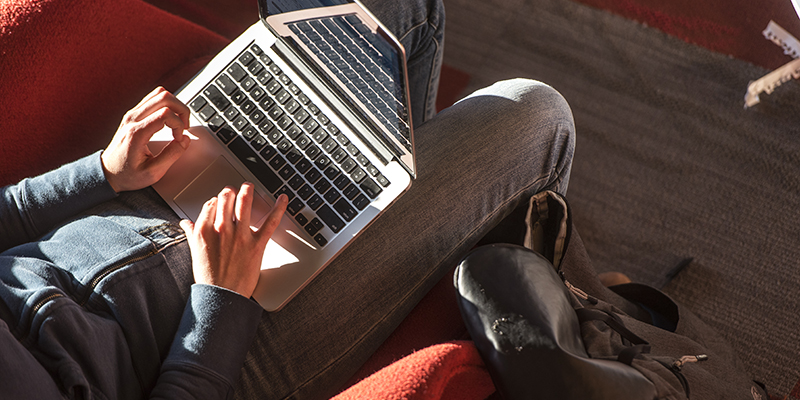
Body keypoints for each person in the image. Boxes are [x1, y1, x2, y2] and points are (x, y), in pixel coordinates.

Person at [0, 0, 576, 398]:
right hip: (229, 344)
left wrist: (103, 171)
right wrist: (220, 300)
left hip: (135, 206)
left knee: (391, 10)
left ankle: (395, 186)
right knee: (537, 115)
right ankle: (554, 307)